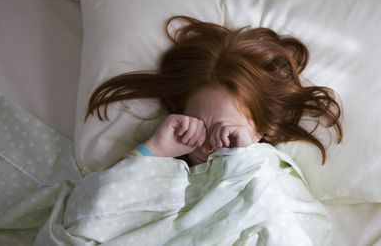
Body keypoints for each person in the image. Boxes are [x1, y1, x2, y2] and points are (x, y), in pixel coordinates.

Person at [84, 15, 343, 167]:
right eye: (200, 126)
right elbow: (88, 219)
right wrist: (154, 152)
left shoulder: (272, 173)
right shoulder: (163, 171)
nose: (211, 143)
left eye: (226, 128)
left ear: (260, 129)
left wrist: (244, 161)